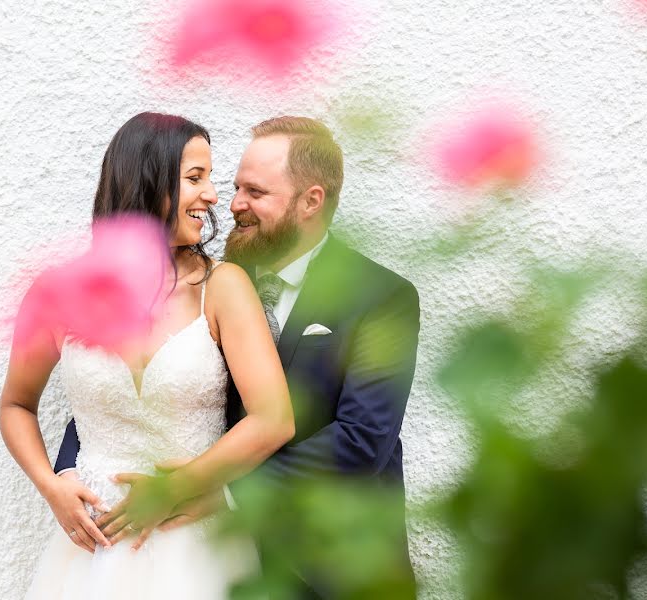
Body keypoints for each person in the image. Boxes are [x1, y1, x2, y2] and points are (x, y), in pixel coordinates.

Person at [55, 116, 421, 599]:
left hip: (332, 571)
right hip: (214, 565)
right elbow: (144, 385)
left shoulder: (381, 297)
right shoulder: (209, 281)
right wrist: (68, 470)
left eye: (255, 192)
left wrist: (221, 492)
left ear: (311, 200)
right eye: (235, 187)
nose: (233, 205)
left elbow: (362, 441)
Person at [0, 112, 295, 600]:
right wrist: (51, 487)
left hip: (197, 544)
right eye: (195, 179)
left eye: (209, 178)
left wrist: (179, 487)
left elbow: (274, 418)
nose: (214, 196)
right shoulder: (60, 292)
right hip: (90, 551)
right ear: (146, 183)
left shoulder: (222, 288)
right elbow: (16, 405)